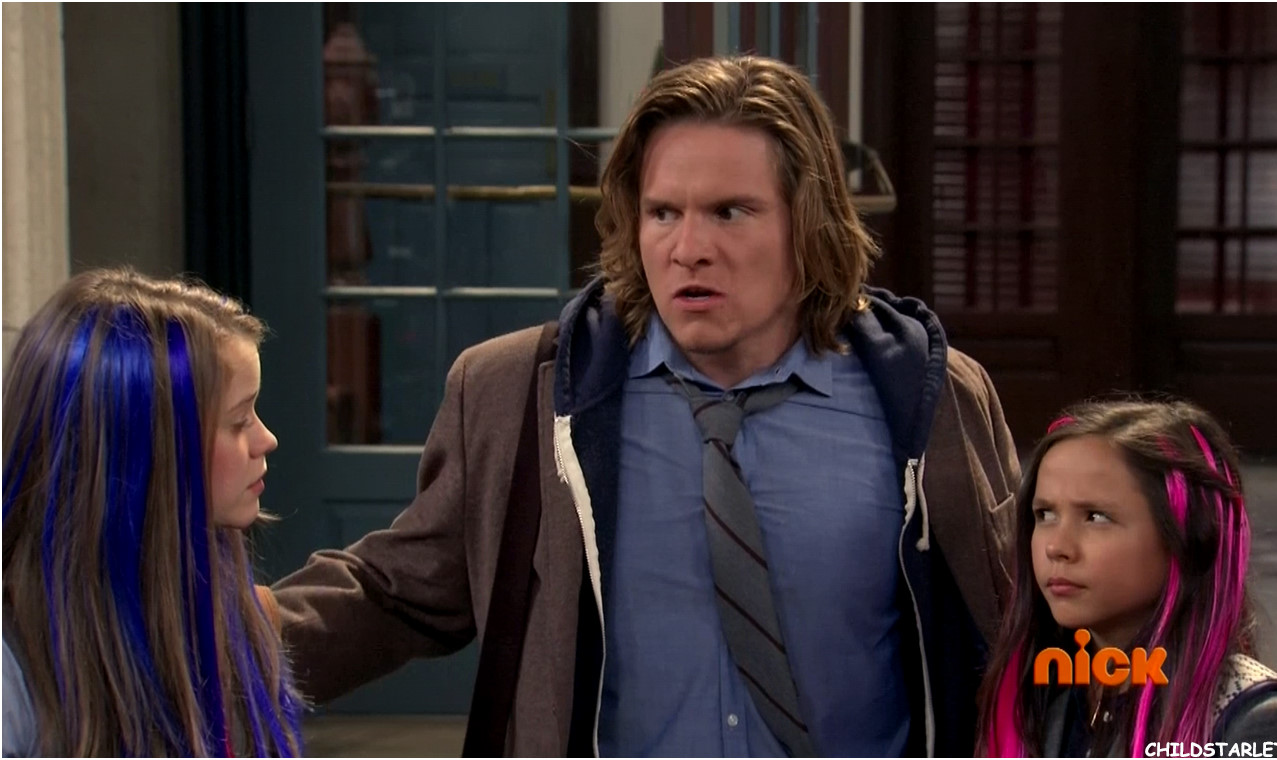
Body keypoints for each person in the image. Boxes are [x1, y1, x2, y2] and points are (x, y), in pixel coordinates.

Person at [270, 55, 1020, 757]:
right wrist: (217, 635)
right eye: (663, 213)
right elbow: (396, 593)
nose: (688, 248)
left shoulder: (928, 396)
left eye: (729, 212)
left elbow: (1026, 610)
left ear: (809, 223)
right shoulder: (519, 393)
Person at [1, 268, 304, 757]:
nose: (266, 439)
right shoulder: (13, 671)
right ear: (148, 452)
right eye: (238, 420)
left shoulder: (237, 619)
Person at [978, 400, 1277, 757]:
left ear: (1188, 537)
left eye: (1096, 517)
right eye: (1045, 514)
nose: (1057, 547)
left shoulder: (1257, 726)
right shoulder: (1044, 701)